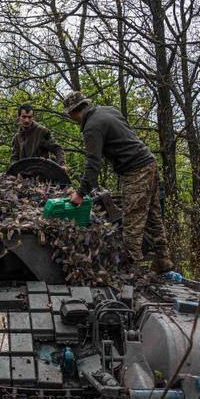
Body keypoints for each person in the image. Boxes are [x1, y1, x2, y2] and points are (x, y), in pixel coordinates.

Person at [62, 91, 174, 273]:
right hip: (149, 163)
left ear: (74, 111)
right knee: (153, 216)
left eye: (70, 115)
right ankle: (162, 259)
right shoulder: (110, 110)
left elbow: (92, 163)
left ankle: (131, 269)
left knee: (132, 220)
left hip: (135, 171)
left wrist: (80, 193)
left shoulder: (91, 127)